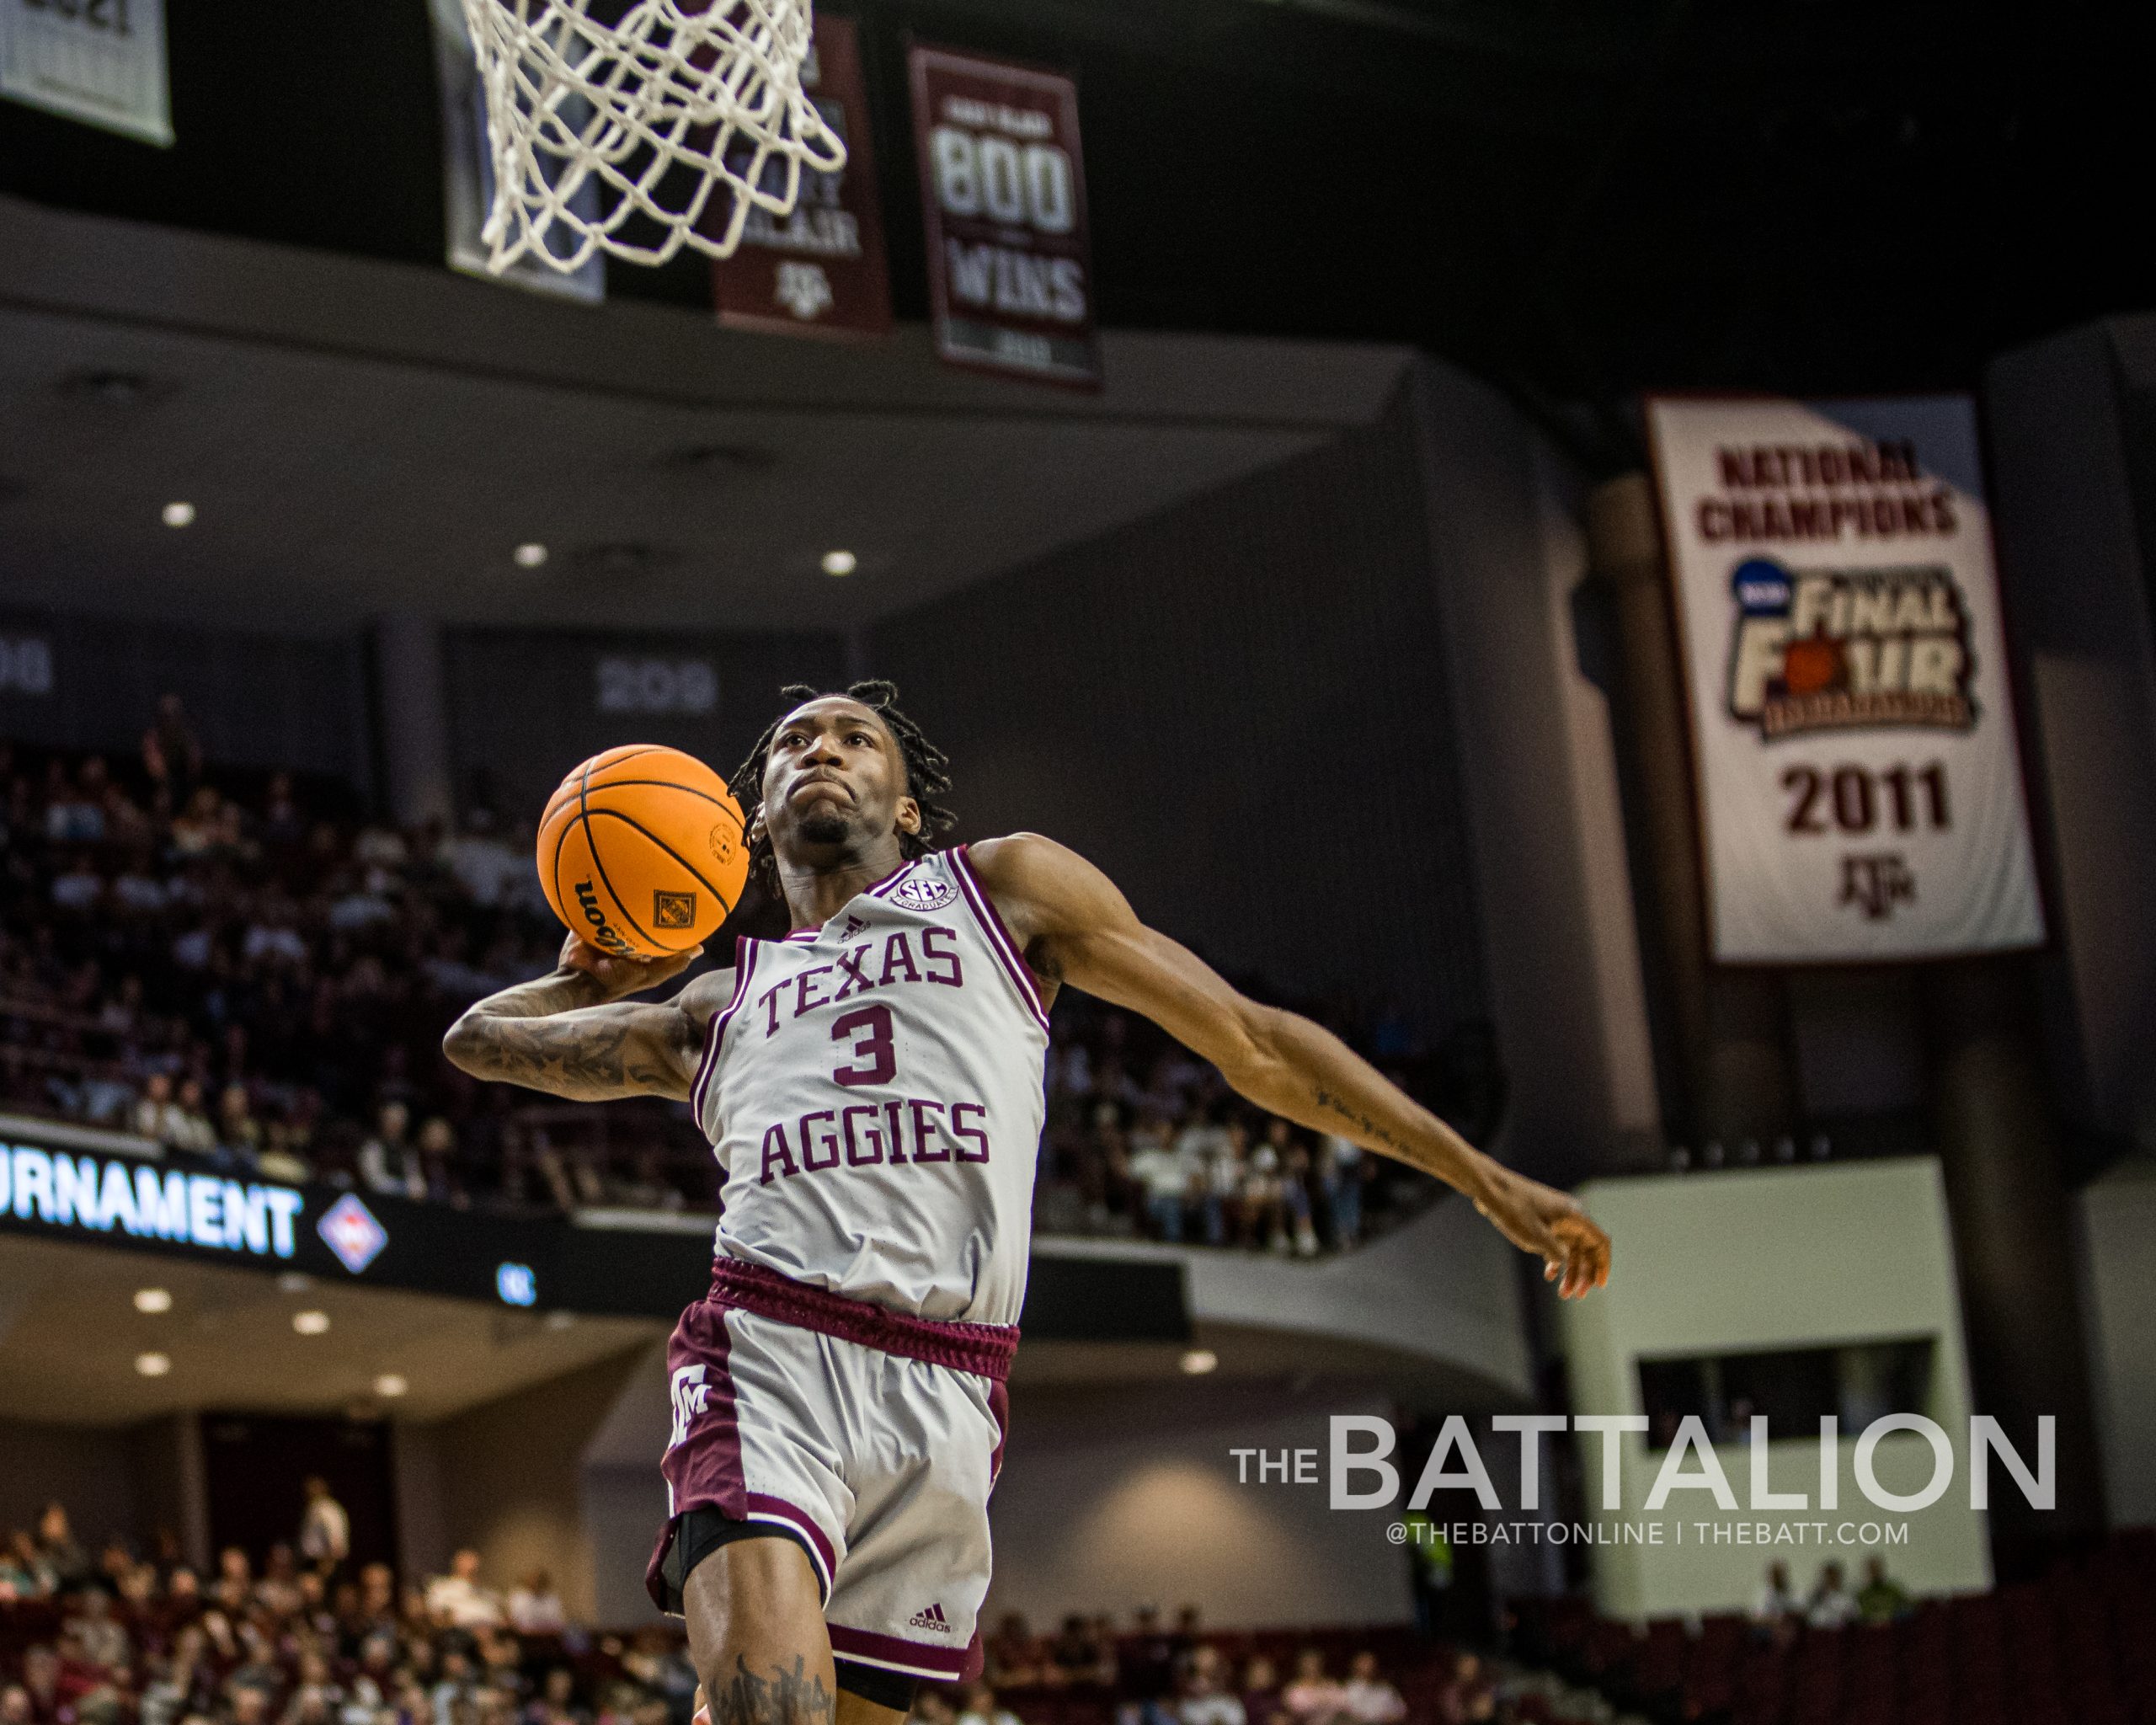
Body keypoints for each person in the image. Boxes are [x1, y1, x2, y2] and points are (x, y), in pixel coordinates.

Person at [444, 681, 1610, 1725]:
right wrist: (590, 972)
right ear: (746, 824)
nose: (822, 750)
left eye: (856, 738)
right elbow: (479, 1041)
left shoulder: (1002, 892)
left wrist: (1482, 1176)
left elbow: (1254, 1044)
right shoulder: (718, 1002)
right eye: (794, 741)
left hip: (952, 1388)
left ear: (907, 809)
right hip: (771, 1351)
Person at [424, 1551, 504, 1630]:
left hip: (493, 1632)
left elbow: (501, 1615)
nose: (474, 1568)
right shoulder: (441, 1588)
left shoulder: (488, 1593)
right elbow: (437, 1617)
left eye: (476, 1567)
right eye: (470, 1567)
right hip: (461, 1634)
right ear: (457, 1566)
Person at [298, 1478, 350, 1578]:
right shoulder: (313, 1508)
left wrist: (328, 1564)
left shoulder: (326, 1509)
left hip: (324, 1562)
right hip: (314, 1561)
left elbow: (335, 1538)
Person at [1333, 1656, 1401, 1725]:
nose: (1367, 1667)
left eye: (1370, 1664)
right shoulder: (1345, 1688)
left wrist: (1382, 1718)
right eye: (1363, 1663)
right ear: (1354, 1667)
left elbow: (1399, 1713)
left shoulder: (1386, 1690)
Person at [1854, 1556, 1912, 1625]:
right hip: (1872, 1627)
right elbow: (1863, 1613)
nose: (1875, 1573)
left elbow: (1907, 1603)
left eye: (1877, 1570)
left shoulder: (1892, 1589)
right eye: (1872, 1571)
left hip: (1893, 1625)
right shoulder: (1863, 1594)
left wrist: (1890, 1616)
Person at [1806, 1561, 1858, 1629]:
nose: (1830, 1578)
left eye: (1833, 1576)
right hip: (1817, 1631)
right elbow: (1811, 1616)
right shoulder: (1816, 1596)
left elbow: (1853, 1616)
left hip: (1838, 1633)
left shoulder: (1847, 1598)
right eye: (1828, 1576)